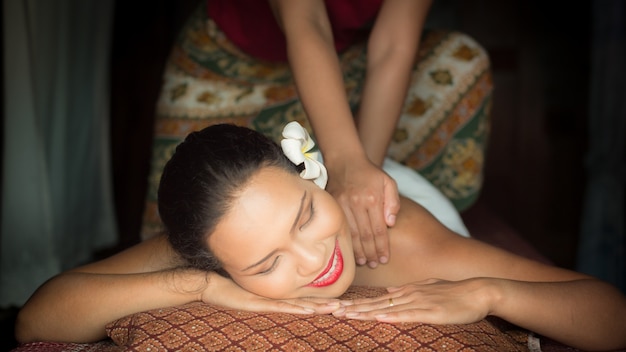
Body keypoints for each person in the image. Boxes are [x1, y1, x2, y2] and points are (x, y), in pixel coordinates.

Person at [16, 123, 626, 351]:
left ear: (311, 177)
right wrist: (196, 284)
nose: (315, 261)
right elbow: (37, 318)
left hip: (387, 195)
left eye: (304, 218)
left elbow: (611, 315)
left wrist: (490, 294)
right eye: (266, 262)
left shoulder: (399, 239)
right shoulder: (216, 243)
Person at [141, 0, 494, 270]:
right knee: (193, 225)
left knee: (460, 61)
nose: (311, 260)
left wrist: (359, 176)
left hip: (343, 64)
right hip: (224, 61)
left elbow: (392, 46)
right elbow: (307, 23)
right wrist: (342, 162)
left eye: (308, 217)